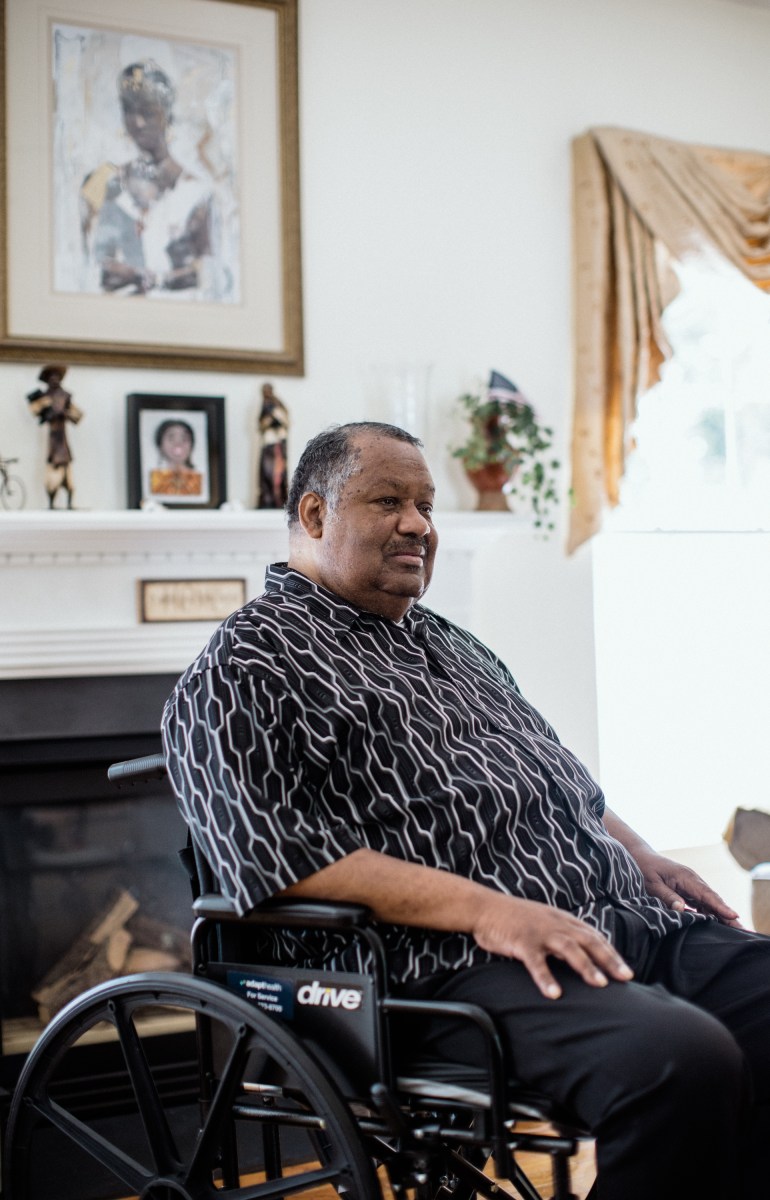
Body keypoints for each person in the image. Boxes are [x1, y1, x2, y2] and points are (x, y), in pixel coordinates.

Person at [162, 421, 770, 1200]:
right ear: (314, 516)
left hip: (614, 923)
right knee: (680, 1062)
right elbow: (271, 857)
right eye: (388, 501)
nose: (418, 524)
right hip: (442, 972)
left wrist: (642, 854)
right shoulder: (246, 663)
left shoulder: (452, 644)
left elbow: (554, 778)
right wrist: (494, 912)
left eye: (425, 503)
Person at [80, 60, 213, 298]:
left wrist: (155, 279)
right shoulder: (105, 182)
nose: (137, 122)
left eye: (148, 112)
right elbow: (90, 263)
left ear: (167, 115)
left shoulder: (196, 192)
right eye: (129, 110)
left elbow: (208, 275)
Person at [26, 365, 83, 509]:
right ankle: (51, 501)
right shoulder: (44, 398)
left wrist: (65, 414)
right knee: (53, 468)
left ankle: (69, 501)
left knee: (66, 469)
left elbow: (77, 415)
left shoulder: (65, 396)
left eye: (57, 377)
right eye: (51, 378)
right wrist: (48, 413)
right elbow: (36, 411)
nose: (54, 380)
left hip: (62, 437)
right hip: (53, 436)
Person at [150, 419, 203, 498]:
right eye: (171, 438)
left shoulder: (197, 481)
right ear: (160, 445)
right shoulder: (156, 479)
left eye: (184, 439)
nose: (178, 443)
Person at [256, 383, 290, 509]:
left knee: (278, 472)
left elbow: (284, 420)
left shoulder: (277, 404)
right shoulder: (264, 405)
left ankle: (278, 497)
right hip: (269, 442)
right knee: (267, 471)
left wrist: (275, 417)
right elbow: (261, 424)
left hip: (277, 443)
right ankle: (268, 497)